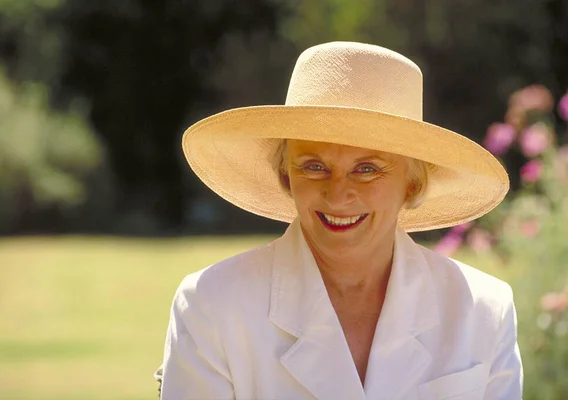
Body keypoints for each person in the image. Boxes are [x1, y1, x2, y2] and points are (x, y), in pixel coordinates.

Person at [156, 42, 523, 399]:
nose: (337, 193)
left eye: (367, 169)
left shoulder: (483, 310)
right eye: (314, 166)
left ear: (411, 184)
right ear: (287, 176)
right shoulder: (214, 304)